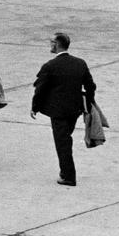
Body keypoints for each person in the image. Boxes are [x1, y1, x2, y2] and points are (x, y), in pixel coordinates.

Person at [31, 31, 98, 186]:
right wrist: (89, 102)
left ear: (56, 44)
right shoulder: (80, 63)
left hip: (58, 111)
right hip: (75, 110)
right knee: (65, 139)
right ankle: (65, 171)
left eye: (51, 42)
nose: (50, 44)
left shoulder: (50, 66)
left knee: (63, 142)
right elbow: (90, 86)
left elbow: (40, 89)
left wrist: (35, 107)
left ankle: (68, 175)